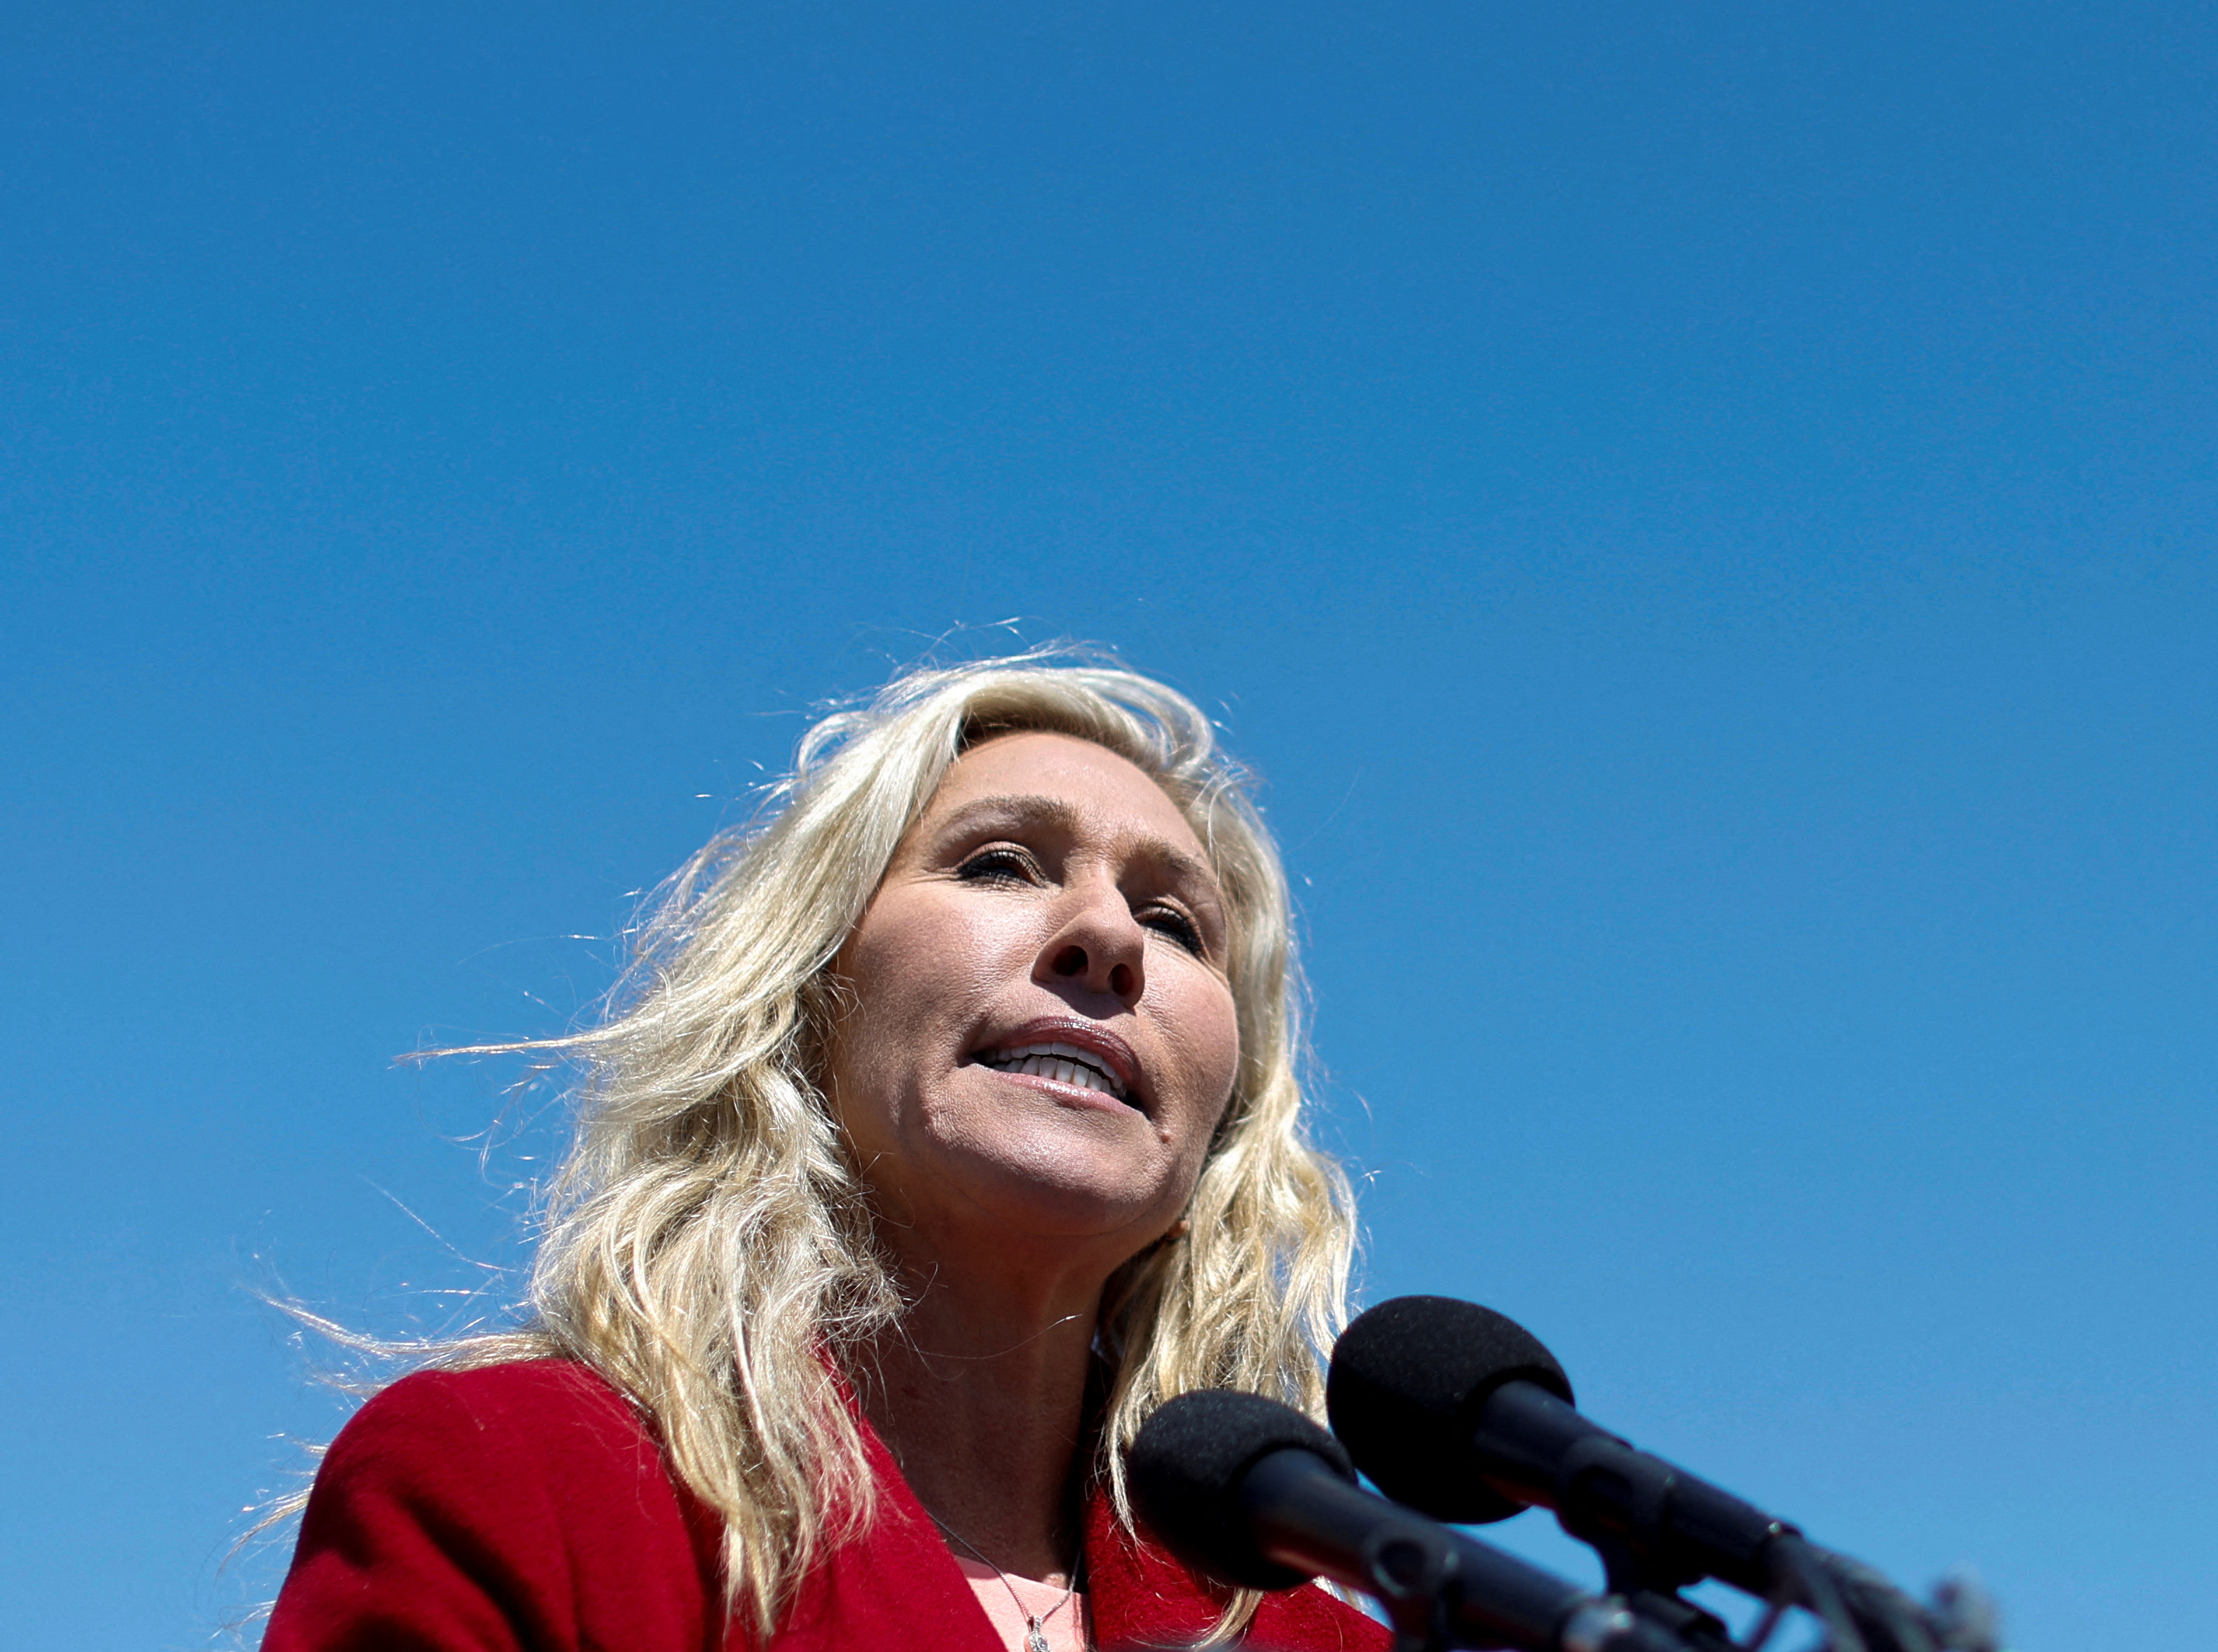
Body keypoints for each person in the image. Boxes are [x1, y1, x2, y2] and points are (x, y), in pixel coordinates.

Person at [263, 656, 1388, 1652]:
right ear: (805, 1001)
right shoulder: (520, 1478)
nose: (1109, 939)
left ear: (1221, 1136)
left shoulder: (1327, 1638)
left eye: (1177, 924)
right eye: (1001, 864)